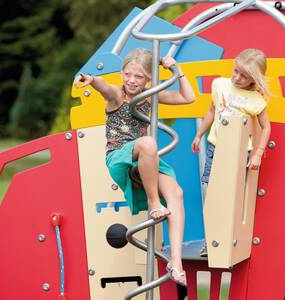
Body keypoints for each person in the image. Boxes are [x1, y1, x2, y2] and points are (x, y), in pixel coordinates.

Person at [74, 48, 195, 286]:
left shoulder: (151, 96)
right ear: (121, 74)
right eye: (127, 74)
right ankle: (153, 203)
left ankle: (176, 263)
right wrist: (92, 79)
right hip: (120, 157)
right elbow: (104, 87)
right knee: (149, 142)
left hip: (146, 159)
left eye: (138, 76)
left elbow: (188, 98)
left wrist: (176, 69)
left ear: (148, 79)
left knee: (177, 193)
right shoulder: (117, 96)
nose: (131, 80)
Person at [191, 48, 271, 257]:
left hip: (238, 152)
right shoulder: (220, 85)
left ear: (254, 78)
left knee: (231, 195)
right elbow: (211, 111)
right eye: (236, 71)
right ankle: (211, 242)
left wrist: (258, 153)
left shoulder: (255, 100)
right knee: (209, 191)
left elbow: (266, 127)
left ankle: (227, 240)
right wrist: (199, 134)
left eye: (244, 76)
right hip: (215, 146)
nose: (237, 77)